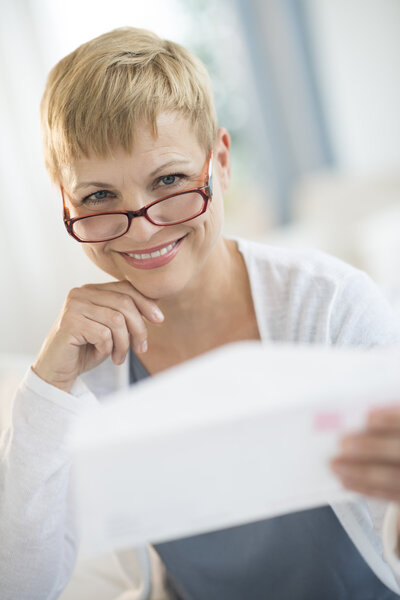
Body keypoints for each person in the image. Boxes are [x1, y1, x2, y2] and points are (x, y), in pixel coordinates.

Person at [1, 26, 400, 600]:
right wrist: (47, 388)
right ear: (66, 200)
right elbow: (19, 586)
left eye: (169, 180)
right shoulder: (83, 364)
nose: (142, 226)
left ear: (220, 162)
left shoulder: (332, 309)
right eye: (98, 197)